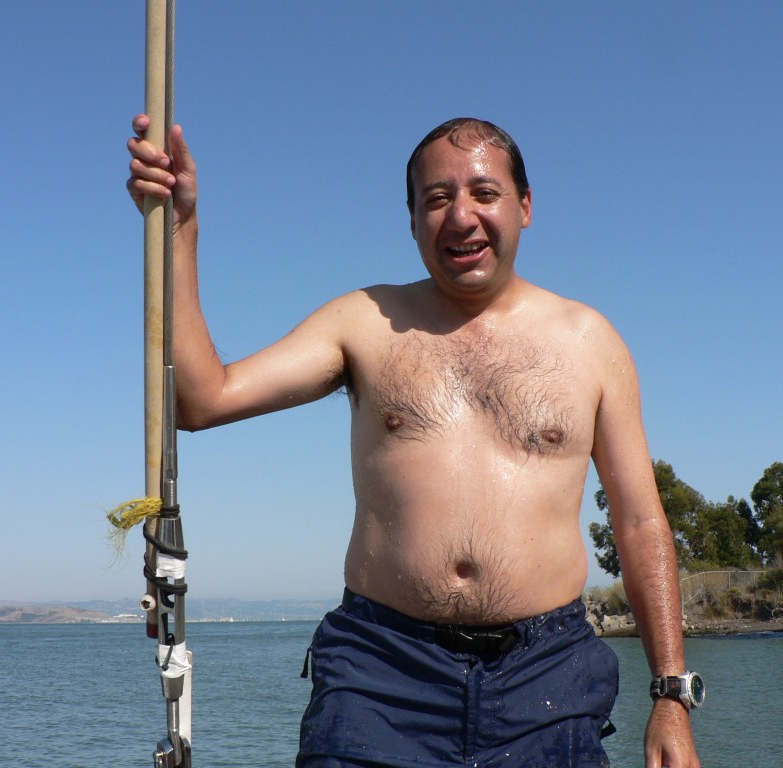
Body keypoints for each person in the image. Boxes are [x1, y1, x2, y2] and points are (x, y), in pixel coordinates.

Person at [127, 115, 701, 768]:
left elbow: (639, 523)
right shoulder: (364, 322)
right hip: (380, 674)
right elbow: (201, 400)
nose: (461, 216)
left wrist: (671, 694)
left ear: (525, 206)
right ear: (412, 221)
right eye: (436, 198)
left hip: (548, 675)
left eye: (484, 193)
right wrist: (180, 228)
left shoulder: (591, 342)